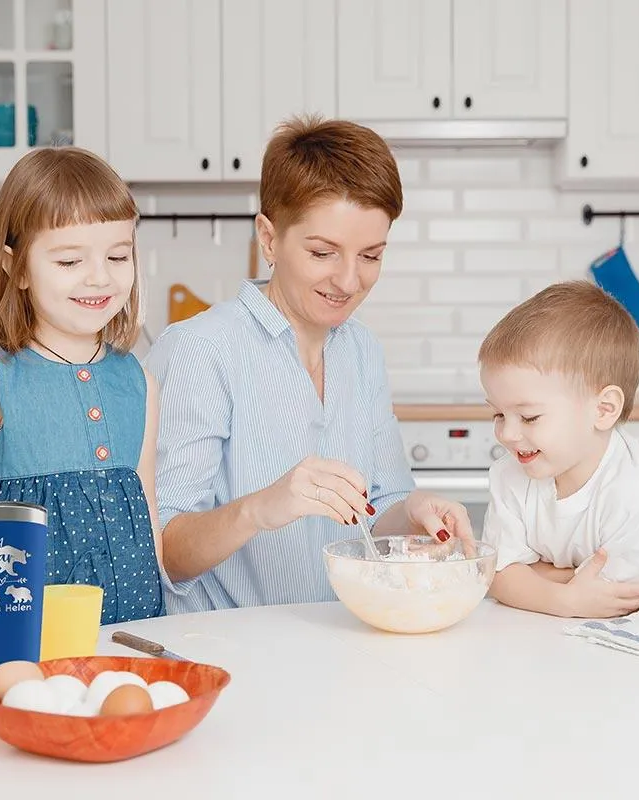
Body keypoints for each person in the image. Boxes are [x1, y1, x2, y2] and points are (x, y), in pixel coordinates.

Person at [145, 115, 474, 615]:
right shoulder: (201, 349)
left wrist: (412, 513)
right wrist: (262, 507)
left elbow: (378, 507)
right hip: (233, 650)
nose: (348, 280)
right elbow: (165, 551)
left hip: (341, 641)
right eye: (323, 252)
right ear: (269, 239)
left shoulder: (362, 351)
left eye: (371, 255)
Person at [0, 147, 163, 664]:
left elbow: (145, 516)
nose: (99, 277)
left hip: (124, 638)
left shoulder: (140, 381)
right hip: (13, 651)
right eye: (69, 260)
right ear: (18, 269)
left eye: (118, 256)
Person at [479, 280, 639, 619]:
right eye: (498, 413)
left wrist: (532, 573)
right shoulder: (511, 474)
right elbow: (493, 575)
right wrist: (566, 597)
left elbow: (620, 597)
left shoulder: (636, 493)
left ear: (604, 409)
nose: (506, 433)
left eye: (529, 417)